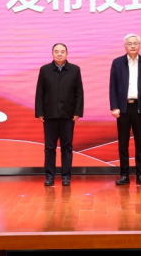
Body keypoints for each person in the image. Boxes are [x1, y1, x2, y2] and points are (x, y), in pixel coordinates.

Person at [109, 34, 141, 186]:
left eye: (135, 43)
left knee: (140, 142)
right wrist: (114, 106)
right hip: (123, 108)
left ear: (139, 45)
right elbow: (113, 87)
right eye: (129, 43)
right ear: (125, 46)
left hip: (139, 107)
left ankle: (140, 174)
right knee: (123, 143)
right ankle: (124, 175)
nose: (133, 46)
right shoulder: (117, 63)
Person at [35, 43, 84, 187]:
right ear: (52, 54)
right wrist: (40, 112)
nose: (59, 54)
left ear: (67, 53)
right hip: (49, 115)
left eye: (62, 51)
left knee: (67, 147)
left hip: (68, 115)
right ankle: (49, 176)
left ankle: (66, 176)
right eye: (56, 51)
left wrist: (77, 112)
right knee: (49, 147)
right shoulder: (45, 70)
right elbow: (40, 93)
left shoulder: (75, 70)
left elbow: (79, 93)